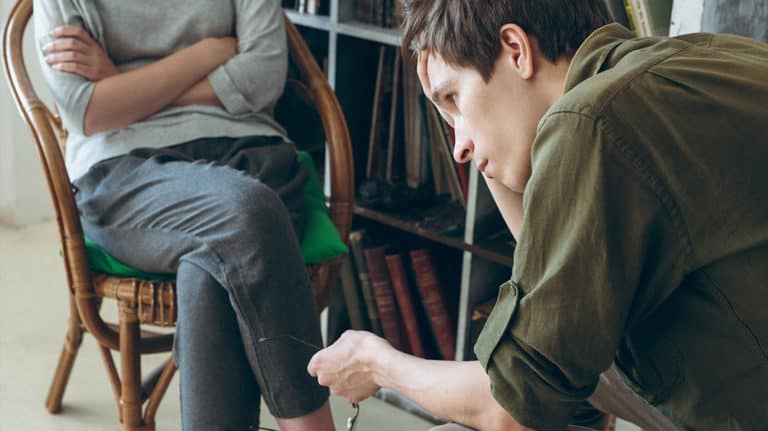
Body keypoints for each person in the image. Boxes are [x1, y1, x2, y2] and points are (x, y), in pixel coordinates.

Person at [307, 0, 768, 430]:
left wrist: (376, 363)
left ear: (516, 49)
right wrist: (474, 123)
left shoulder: (592, 122)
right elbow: (553, 302)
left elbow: (511, 407)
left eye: (454, 99)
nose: (458, 148)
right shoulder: (698, 60)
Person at [34, 1, 336, 430]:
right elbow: (86, 109)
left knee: (211, 270)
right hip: (126, 173)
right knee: (247, 213)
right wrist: (208, 53)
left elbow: (263, 77)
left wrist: (125, 84)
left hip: (252, 156)